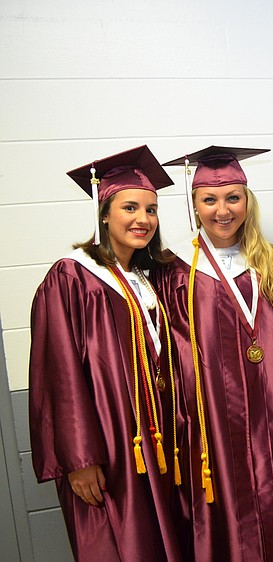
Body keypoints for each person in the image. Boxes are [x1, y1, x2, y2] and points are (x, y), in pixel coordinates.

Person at [157, 146, 273, 561]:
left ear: (248, 201)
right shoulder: (175, 268)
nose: (222, 210)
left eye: (233, 198)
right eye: (210, 199)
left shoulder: (272, 259)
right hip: (215, 417)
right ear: (194, 205)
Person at [29, 145, 183, 561]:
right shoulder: (72, 276)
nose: (143, 219)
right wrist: (79, 459)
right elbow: (58, 373)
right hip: (108, 449)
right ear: (103, 214)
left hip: (156, 442)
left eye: (151, 210)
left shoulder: (145, 277)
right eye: (130, 207)